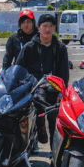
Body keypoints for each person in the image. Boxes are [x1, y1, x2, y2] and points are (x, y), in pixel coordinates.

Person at [17, 12, 70, 153]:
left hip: (54, 88)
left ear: (54, 28)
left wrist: (61, 92)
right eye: (44, 26)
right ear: (38, 27)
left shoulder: (60, 48)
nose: (47, 29)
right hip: (34, 88)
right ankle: (38, 128)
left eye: (51, 26)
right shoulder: (29, 47)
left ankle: (55, 155)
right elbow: (18, 69)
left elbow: (64, 74)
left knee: (55, 119)